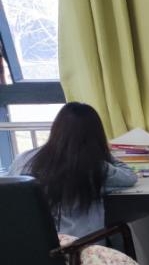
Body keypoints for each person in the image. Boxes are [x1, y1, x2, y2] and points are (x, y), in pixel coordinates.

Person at [6, 101, 137, 237]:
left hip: (26, 242)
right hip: (76, 246)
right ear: (95, 135)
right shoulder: (93, 167)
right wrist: (101, 152)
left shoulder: (23, 159)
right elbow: (129, 176)